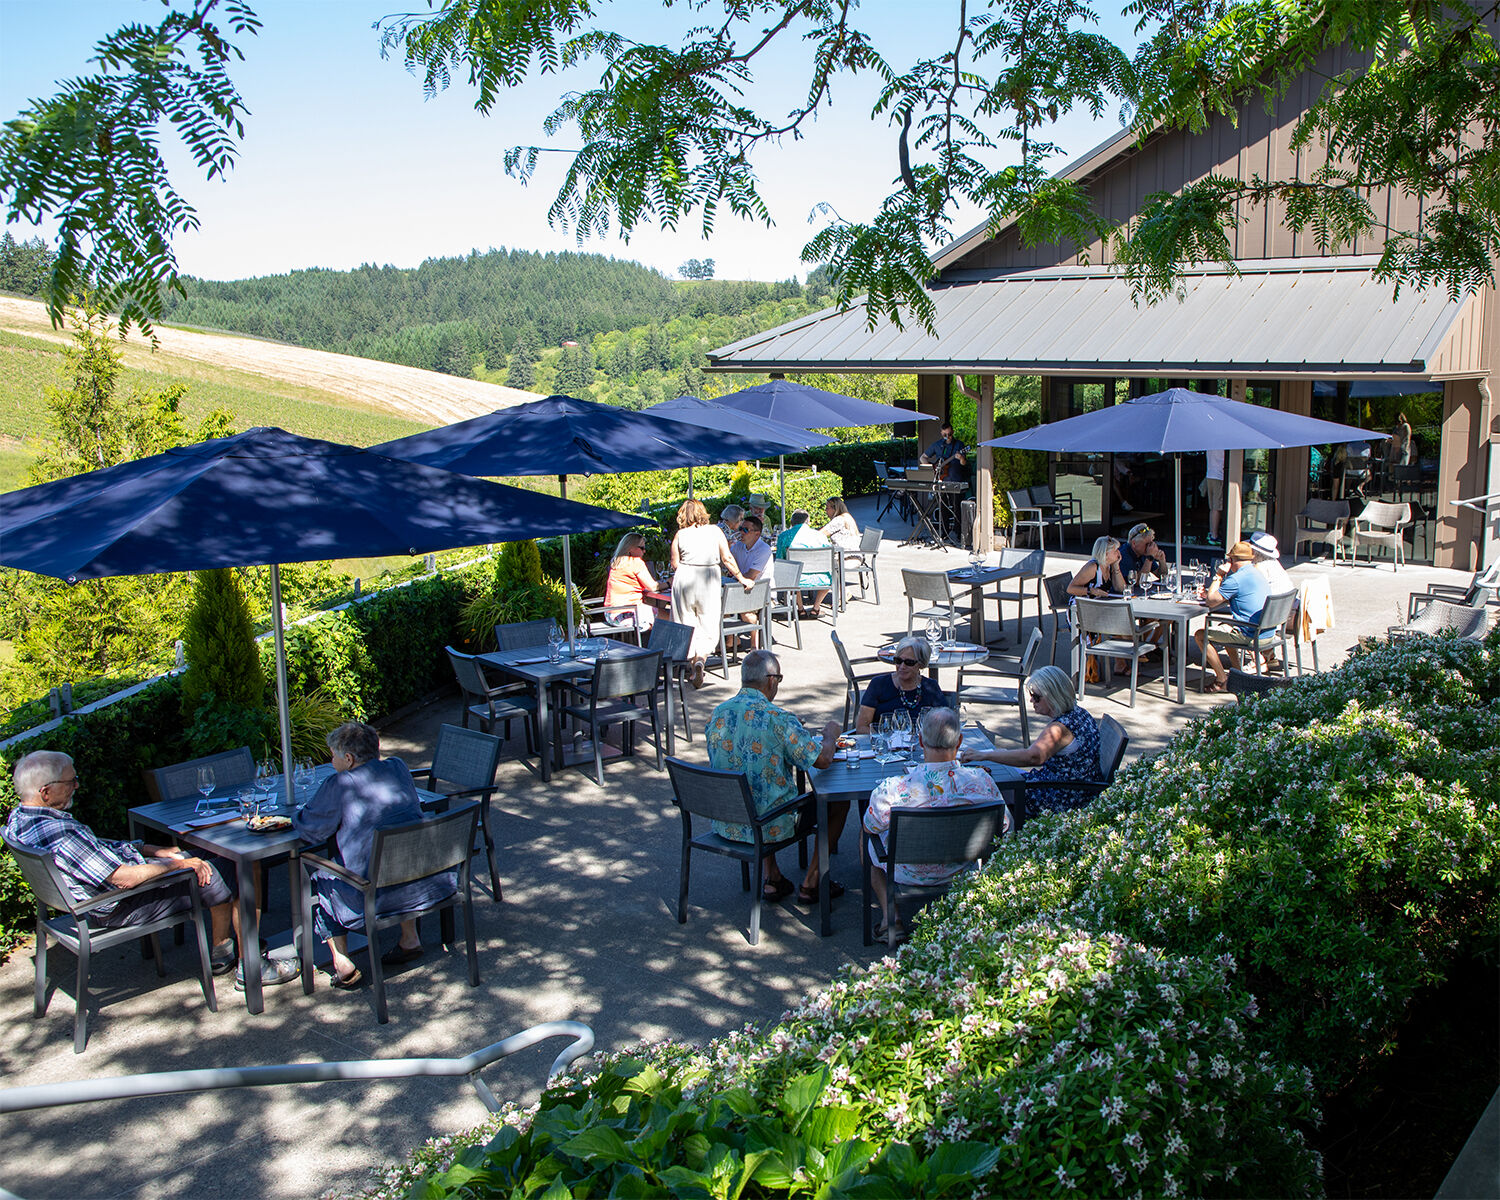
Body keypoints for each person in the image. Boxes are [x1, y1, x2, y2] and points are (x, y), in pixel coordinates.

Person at [3, 750, 298, 989]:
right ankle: (253, 967)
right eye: (71, 781)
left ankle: (222, 948)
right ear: (45, 791)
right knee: (245, 864)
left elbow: (96, 847)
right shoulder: (61, 833)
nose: (77, 785)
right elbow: (125, 879)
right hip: (117, 904)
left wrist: (153, 850)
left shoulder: (21, 818)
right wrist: (175, 864)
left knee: (210, 857)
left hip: (90, 897)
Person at [293, 722, 456, 989]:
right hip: (425, 882)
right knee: (398, 850)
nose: (331, 760)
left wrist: (293, 817)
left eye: (332, 755)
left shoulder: (341, 784)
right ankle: (409, 938)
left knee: (321, 876)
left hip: (372, 899)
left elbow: (313, 830)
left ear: (348, 758)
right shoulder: (397, 767)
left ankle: (342, 961)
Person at [705, 649, 844, 905]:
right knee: (837, 800)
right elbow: (822, 760)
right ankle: (812, 881)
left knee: (756, 782)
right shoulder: (778, 720)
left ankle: (772, 877)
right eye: (778, 680)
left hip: (727, 819)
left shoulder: (718, 713)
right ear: (771, 680)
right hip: (768, 823)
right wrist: (831, 735)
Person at [862, 707, 1005, 940]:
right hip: (962, 869)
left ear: (919, 740)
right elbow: (1004, 826)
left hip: (905, 872)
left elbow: (870, 827)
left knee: (865, 837)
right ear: (959, 741)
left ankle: (892, 918)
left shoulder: (893, 789)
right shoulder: (982, 782)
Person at [961, 665, 1102, 818]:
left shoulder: (1059, 729)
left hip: (1061, 797)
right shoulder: (1079, 713)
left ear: (1053, 696)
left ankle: (1002, 833)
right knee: (998, 776)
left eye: (1036, 696)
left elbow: (1033, 757)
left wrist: (984, 755)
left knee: (985, 786)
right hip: (1079, 791)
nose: (1031, 700)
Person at [670, 498, 753, 688]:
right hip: (708, 575)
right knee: (708, 621)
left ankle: (693, 666)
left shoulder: (680, 534)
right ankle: (701, 658)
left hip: (685, 577)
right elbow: (727, 558)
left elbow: (675, 563)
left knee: (686, 621)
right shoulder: (715, 531)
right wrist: (742, 578)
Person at [1194, 540, 1271, 693]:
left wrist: (1219, 575)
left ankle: (1222, 679)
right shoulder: (1257, 573)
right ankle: (1239, 675)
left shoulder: (1235, 579)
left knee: (1200, 635)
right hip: (1267, 633)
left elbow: (1210, 601)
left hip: (1250, 634)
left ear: (1231, 560)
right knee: (1226, 628)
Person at [855, 636, 948, 732]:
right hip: (885, 743)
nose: (902, 666)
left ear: (921, 664)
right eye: (898, 661)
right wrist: (883, 740)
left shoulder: (930, 687)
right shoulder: (878, 684)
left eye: (909, 662)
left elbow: (946, 724)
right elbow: (862, 727)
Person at [727, 513, 773, 652]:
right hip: (741, 589)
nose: (741, 532)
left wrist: (735, 576)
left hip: (760, 591)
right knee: (719, 604)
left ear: (757, 534)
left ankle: (754, 645)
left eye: (745, 530)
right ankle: (732, 640)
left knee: (746, 613)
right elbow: (726, 563)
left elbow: (751, 576)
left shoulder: (763, 549)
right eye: (741, 528)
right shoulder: (738, 546)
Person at [776, 509, 833, 617]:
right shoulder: (820, 536)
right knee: (831, 575)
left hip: (795, 580)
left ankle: (800, 609)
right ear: (808, 522)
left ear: (791, 522)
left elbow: (780, 559)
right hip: (820, 577)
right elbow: (828, 555)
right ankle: (816, 608)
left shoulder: (784, 536)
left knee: (790, 570)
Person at [603, 531, 659, 631]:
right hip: (627, 613)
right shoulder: (635, 562)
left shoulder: (617, 563)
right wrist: (670, 582)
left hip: (610, 614)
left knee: (660, 614)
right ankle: (664, 646)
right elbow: (653, 587)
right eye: (642, 548)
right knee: (669, 618)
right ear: (630, 548)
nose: (644, 551)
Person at [1204, 449, 1225, 544]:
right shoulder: (1224, 444)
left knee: (1212, 508)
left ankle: (1212, 532)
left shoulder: (1211, 442)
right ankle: (1214, 535)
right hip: (1219, 476)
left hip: (1210, 474)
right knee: (1217, 507)